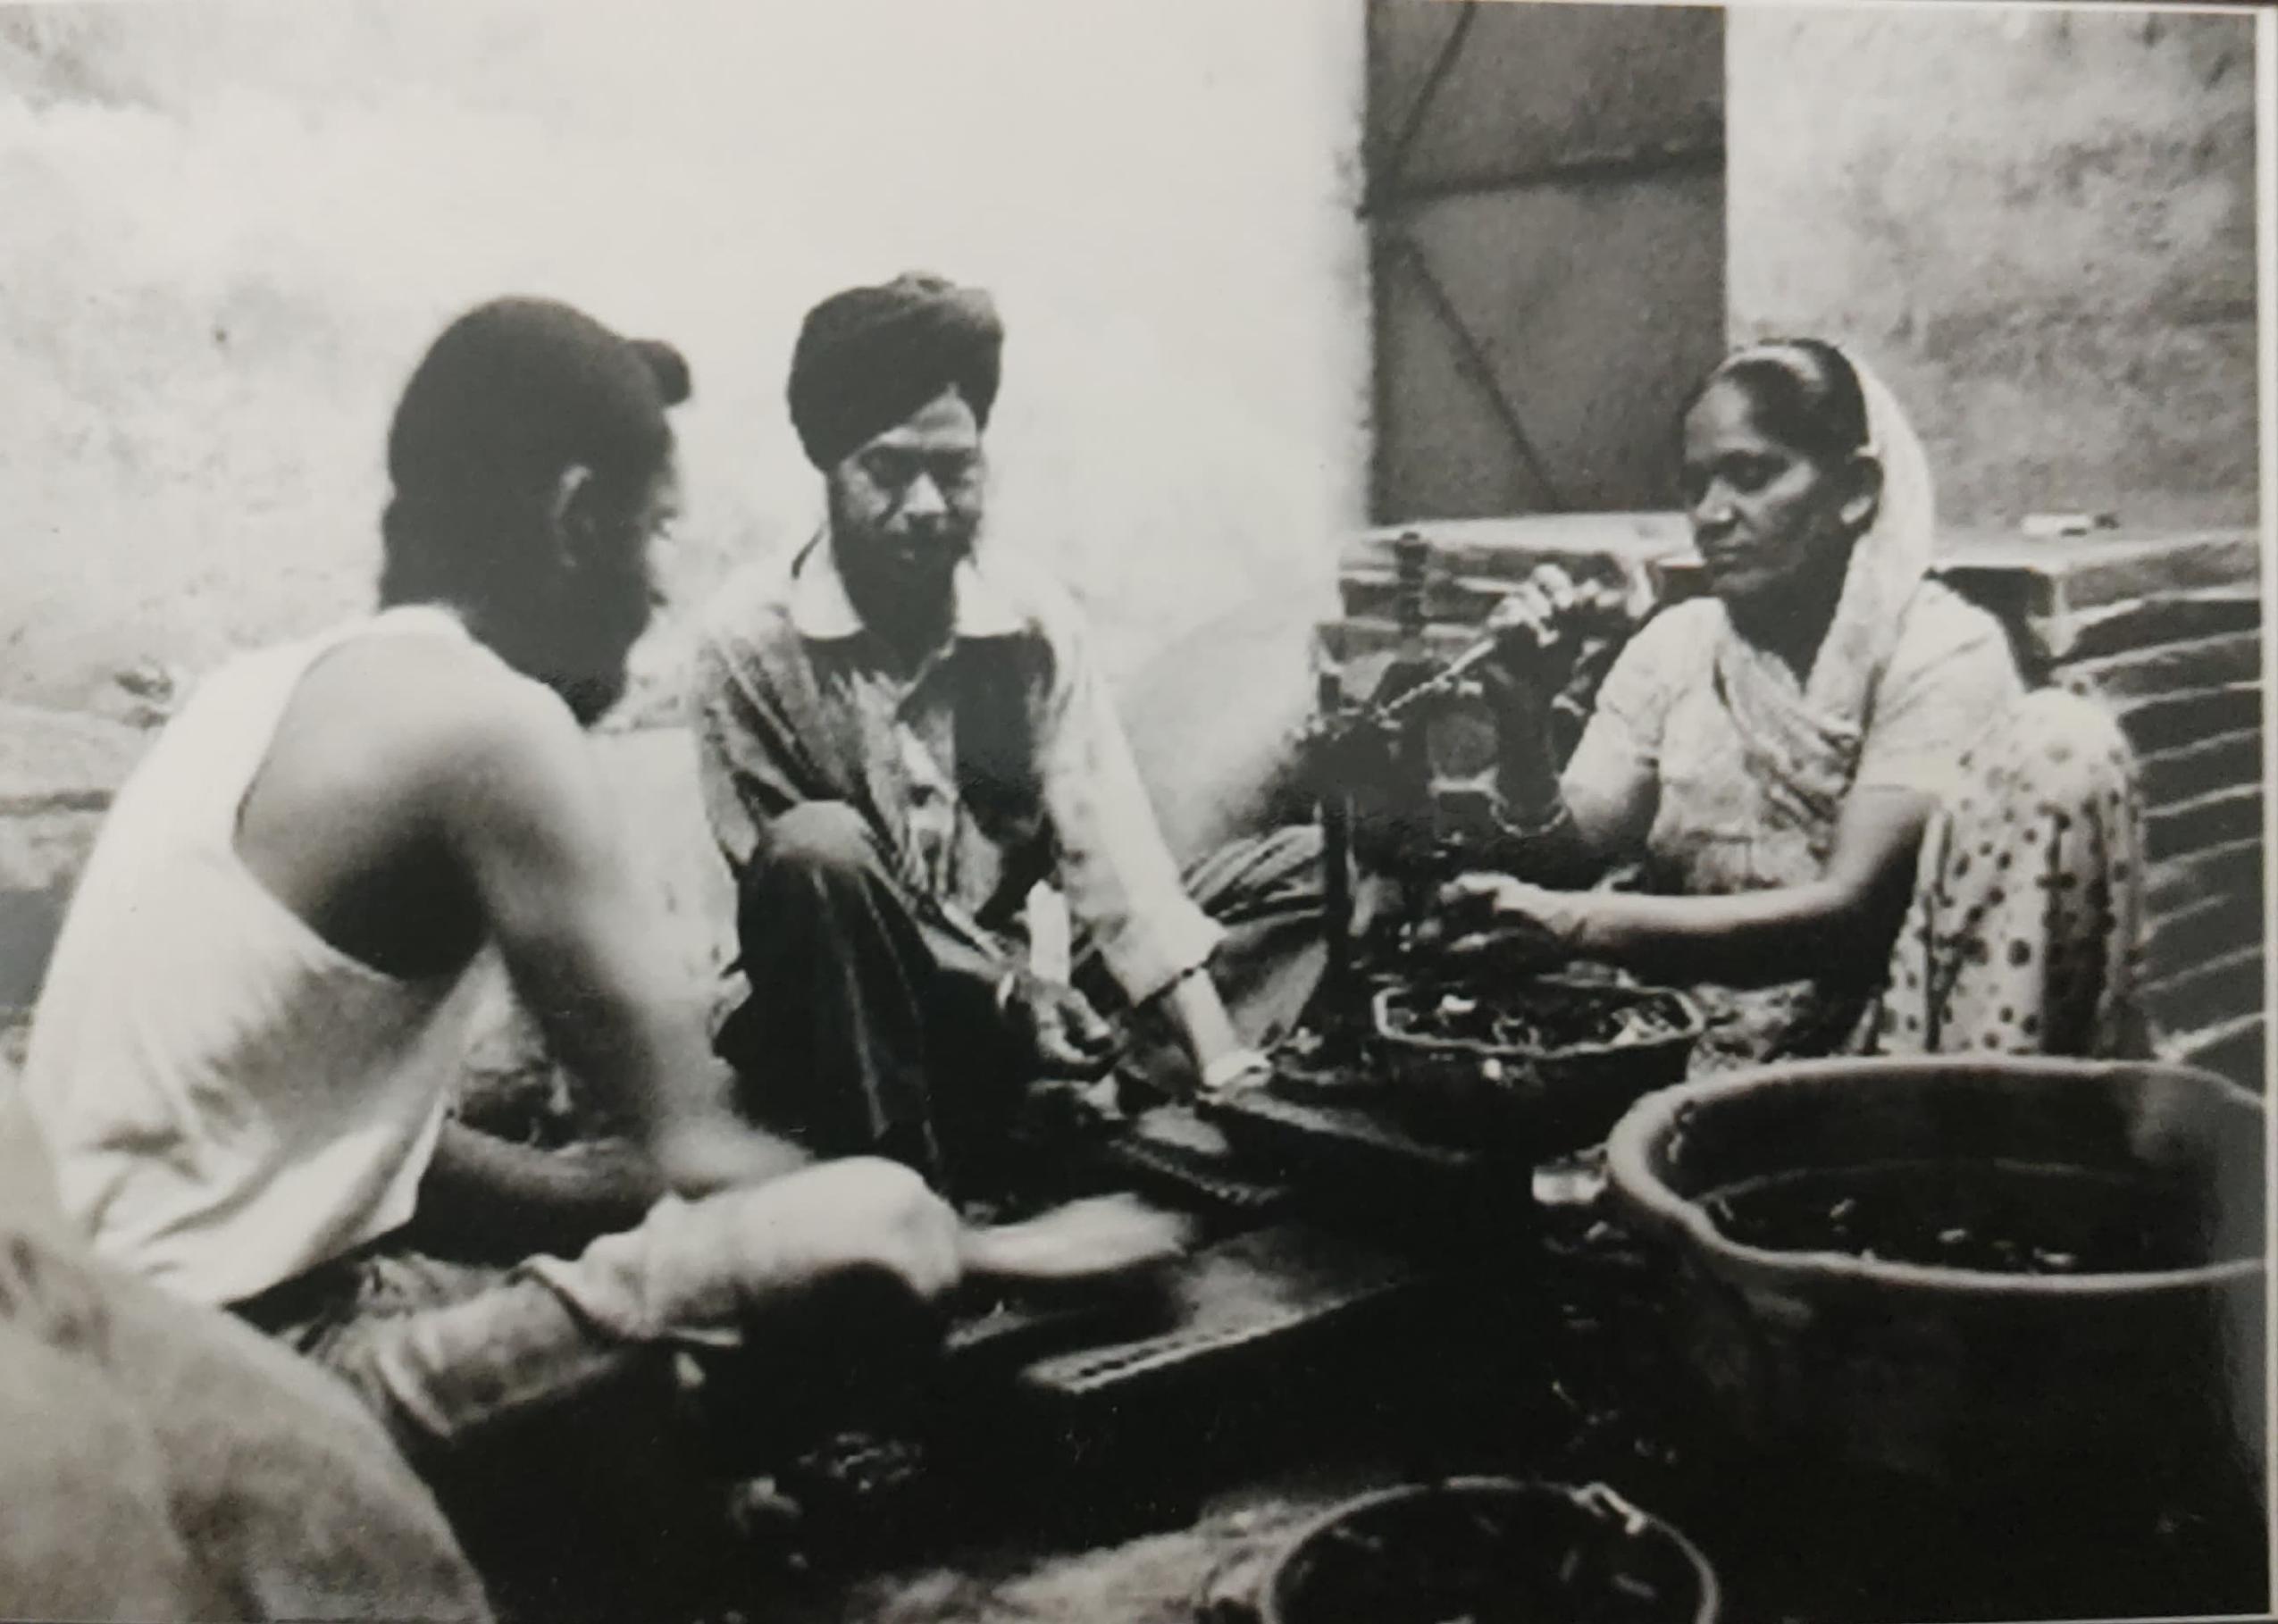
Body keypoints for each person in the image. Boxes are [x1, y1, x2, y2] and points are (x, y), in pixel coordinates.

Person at [13, 297, 992, 1601]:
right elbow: (696, 1150)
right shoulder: (490, 725)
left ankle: (613, 1524)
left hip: (85, 1345)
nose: (656, 589)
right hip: (234, 1395)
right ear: (575, 516)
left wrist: (601, 1199)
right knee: (874, 1226)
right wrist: (1001, 1249)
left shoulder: (262, 690)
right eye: (651, 533)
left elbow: (370, 1157)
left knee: (612, 1268)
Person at [693, 272, 1323, 1193]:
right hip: (833, 1025)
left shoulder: (1027, 620)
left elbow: (1111, 855)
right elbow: (808, 900)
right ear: (829, 470)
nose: (926, 506)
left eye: (954, 470)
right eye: (887, 471)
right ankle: (902, 1190)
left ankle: (1128, 1098)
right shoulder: (750, 640)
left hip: (1016, 1002)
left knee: (1306, 870)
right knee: (819, 850)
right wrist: (1004, 995)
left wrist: (1222, 1061)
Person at [1436, 338, 2148, 1067]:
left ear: (1856, 490)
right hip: (1695, 1048)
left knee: (2064, 739)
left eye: (1751, 476)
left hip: (1888, 1060)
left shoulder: (1940, 650)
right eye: (1696, 486)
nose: (1713, 514)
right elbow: (1562, 865)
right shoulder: (1678, 646)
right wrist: (1522, 720)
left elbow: (1848, 914)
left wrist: (1579, 925)